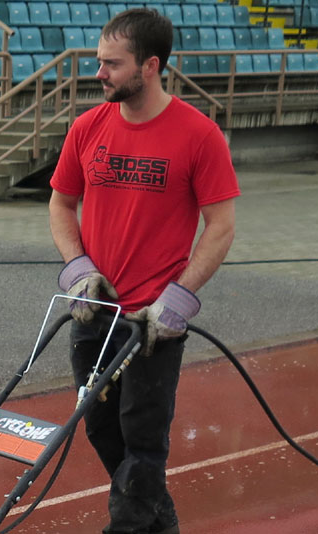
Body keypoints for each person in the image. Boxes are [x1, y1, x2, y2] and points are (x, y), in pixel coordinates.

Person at [47, 8, 239, 534]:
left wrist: (177, 300)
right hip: (96, 311)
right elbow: (61, 206)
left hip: (153, 322)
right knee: (101, 428)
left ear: (150, 66)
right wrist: (77, 270)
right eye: (98, 61)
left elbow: (220, 225)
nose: (99, 72)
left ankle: (130, 527)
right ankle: (160, 522)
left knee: (143, 436)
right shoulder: (87, 129)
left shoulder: (198, 136)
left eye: (111, 63)